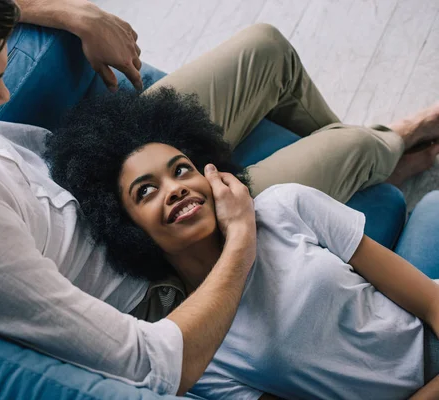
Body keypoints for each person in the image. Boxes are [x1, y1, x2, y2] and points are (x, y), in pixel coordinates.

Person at [0, 0, 438, 397]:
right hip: (149, 270)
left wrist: (66, 13)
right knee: (346, 153)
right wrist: (242, 243)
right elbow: (156, 362)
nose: (3, 98)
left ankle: (380, 155)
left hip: (90, 165)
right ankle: (394, 146)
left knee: (265, 48)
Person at [45, 87, 439, 399]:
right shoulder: (191, 341)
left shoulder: (286, 205)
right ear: (127, 227)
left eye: (181, 170)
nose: (176, 189)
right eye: (145, 192)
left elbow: (429, 301)